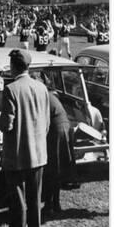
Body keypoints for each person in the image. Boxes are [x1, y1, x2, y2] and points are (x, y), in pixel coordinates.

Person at [0, 49, 50, 227]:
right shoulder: (41, 87)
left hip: (17, 154)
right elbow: (46, 121)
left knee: (17, 199)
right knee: (35, 199)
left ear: (13, 66)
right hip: (38, 153)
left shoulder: (11, 89)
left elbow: (6, 124)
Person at [43, 80, 75, 216]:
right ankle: (54, 203)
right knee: (55, 169)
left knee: (52, 169)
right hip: (63, 129)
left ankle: (51, 204)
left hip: (56, 131)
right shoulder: (50, 95)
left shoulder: (43, 96)